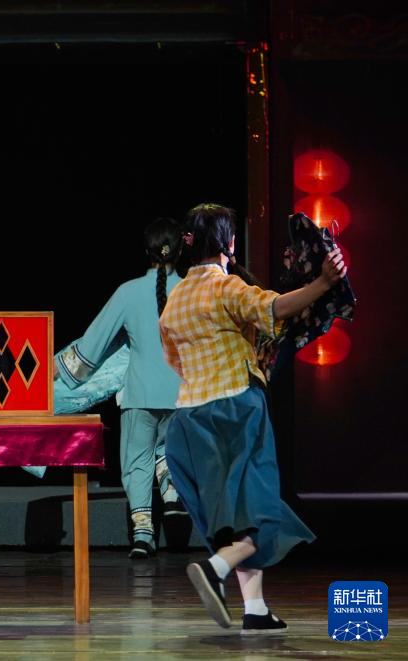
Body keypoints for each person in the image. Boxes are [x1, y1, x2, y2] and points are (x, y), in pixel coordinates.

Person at [159, 203, 346, 634]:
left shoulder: (174, 300)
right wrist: (323, 282)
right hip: (235, 411)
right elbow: (276, 307)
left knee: (236, 514)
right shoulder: (226, 288)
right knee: (259, 509)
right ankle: (216, 568)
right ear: (229, 242)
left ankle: (255, 607)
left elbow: (176, 363)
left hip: (189, 420)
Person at [57, 218, 189, 559]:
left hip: (140, 393)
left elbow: (92, 345)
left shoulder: (128, 292)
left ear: (146, 251)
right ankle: (172, 491)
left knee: (137, 461)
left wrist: (58, 369)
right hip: (184, 395)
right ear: (180, 250)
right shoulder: (193, 291)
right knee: (169, 449)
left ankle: (143, 533)